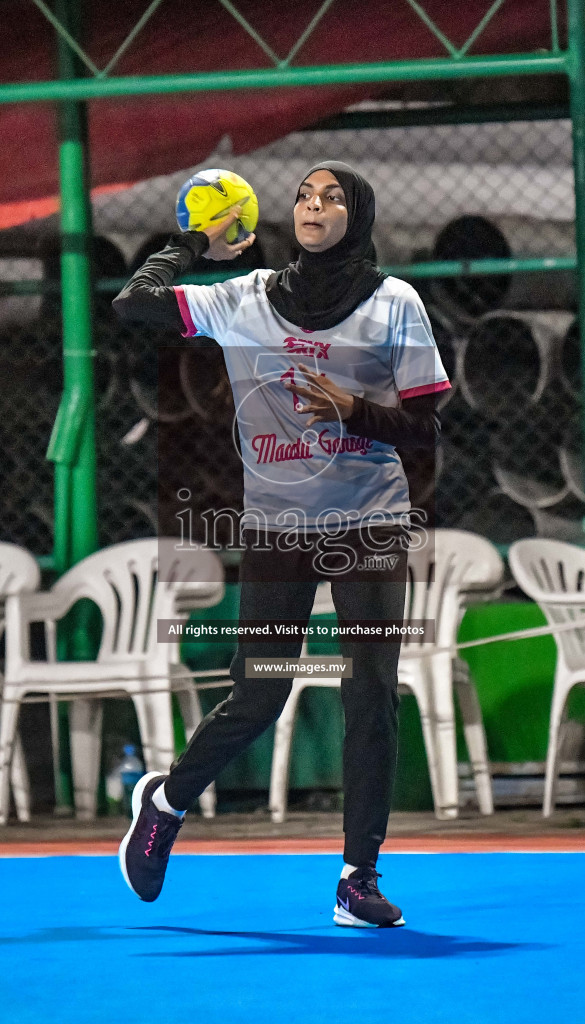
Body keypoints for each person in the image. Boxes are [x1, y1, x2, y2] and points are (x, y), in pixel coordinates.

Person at [111, 161, 451, 928]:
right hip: (276, 526)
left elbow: (427, 423)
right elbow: (135, 303)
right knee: (261, 689)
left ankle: (357, 879)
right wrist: (193, 243)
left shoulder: (395, 303)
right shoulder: (248, 298)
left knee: (371, 691)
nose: (313, 205)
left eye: (331, 196)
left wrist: (356, 410)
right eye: (303, 194)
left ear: (357, 214)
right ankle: (164, 803)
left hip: (369, 521)